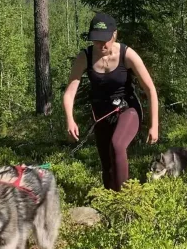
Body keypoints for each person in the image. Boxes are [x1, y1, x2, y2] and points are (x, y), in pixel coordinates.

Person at [63, 12, 159, 192]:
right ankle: (109, 200)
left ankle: (124, 200)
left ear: (114, 34)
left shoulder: (127, 54)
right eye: (96, 40)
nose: (100, 44)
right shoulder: (85, 56)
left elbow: (150, 89)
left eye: (104, 40)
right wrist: (70, 119)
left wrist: (154, 125)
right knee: (106, 163)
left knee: (117, 145)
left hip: (127, 109)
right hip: (101, 114)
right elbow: (69, 93)